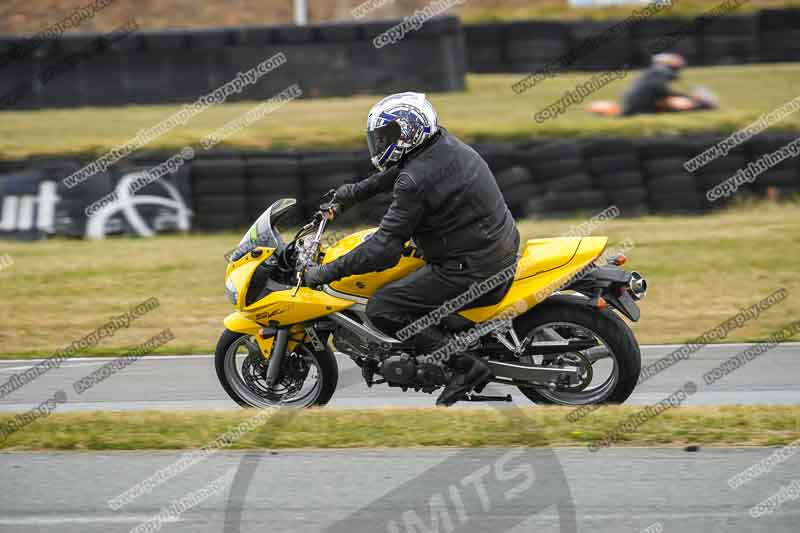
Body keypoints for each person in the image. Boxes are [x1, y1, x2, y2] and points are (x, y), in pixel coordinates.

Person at [303, 92, 520, 406]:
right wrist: (348, 195)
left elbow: (383, 250)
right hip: (491, 246)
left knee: (384, 308)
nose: (378, 144)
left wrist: (324, 272)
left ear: (408, 132)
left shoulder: (414, 181)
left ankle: (464, 367)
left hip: (472, 266)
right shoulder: (441, 146)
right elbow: (397, 174)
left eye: (385, 136)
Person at [620, 53, 715, 116]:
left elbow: (665, 93)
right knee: (684, 106)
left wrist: (687, 97)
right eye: (675, 69)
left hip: (640, 106)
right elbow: (665, 95)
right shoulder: (655, 79)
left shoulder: (651, 76)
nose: (677, 72)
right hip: (641, 109)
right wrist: (692, 100)